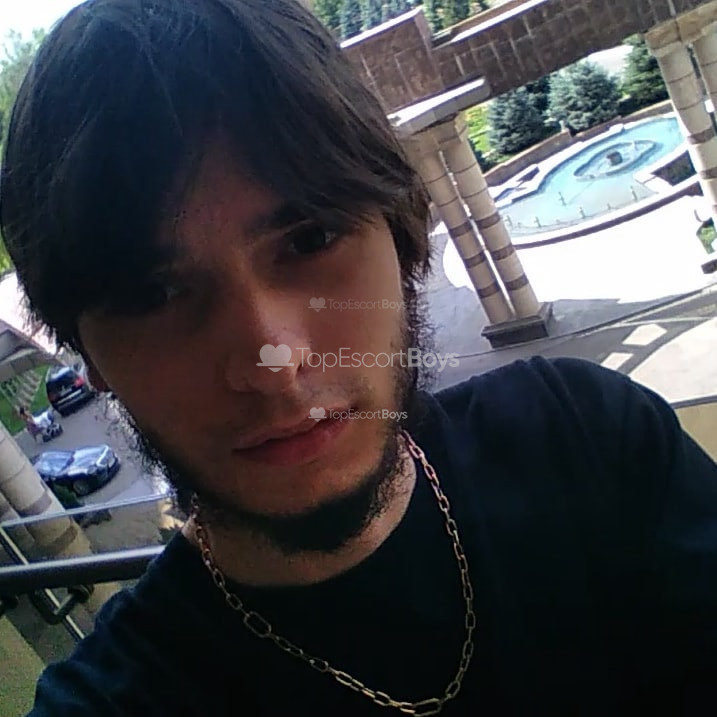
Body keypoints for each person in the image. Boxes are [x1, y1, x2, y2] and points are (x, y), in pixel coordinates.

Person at [1, 1, 716, 715]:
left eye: (309, 239)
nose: (273, 362)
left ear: (400, 238)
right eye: (153, 294)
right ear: (90, 358)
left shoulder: (588, 439)